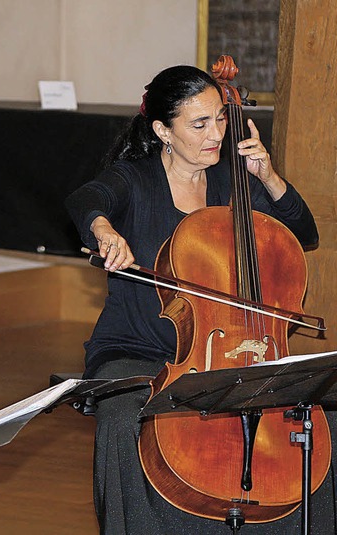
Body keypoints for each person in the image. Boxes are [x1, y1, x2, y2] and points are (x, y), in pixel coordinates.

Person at [66, 65, 337, 534]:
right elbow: (85, 198)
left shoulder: (236, 183)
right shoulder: (135, 180)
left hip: (232, 350)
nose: (217, 135)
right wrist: (104, 228)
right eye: (200, 124)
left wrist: (269, 177)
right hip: (140, 350)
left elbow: (304, 234)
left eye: (221, 119)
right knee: (123, 416)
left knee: (321, 415)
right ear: (162, 131)